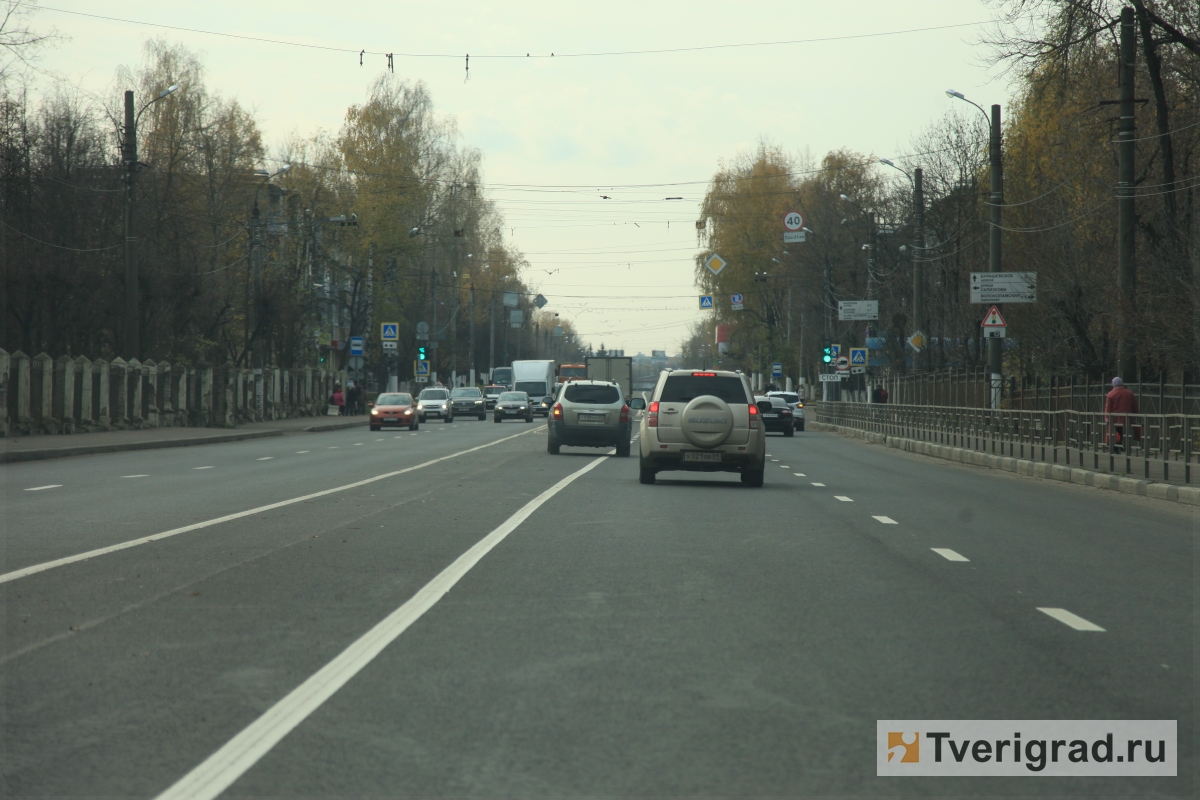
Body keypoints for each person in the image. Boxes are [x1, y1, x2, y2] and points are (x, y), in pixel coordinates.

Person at [1104, 377, 1138, 453]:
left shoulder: (1110, 394)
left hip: (1115, 418)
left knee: (1116, 432)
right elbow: (1134, 405)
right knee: (1125, 432)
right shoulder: (1129, 393)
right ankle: (1125, 446)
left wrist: (1107, 417)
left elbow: (1108, 407)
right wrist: (1136, 415)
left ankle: (1116, 447)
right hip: (1127, 418)